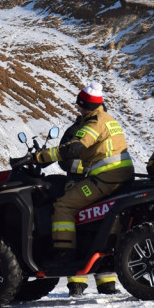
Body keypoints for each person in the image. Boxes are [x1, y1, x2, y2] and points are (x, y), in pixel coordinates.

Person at [30, 82, 134, 282]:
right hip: (120, 175)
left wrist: (38, 157)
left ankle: (64, 255)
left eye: (79, 105)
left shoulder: (93, 123)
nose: (78, 109)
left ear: (86, 105)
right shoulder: (108, 119)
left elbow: (73, 149)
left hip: (106, 178)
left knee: (63, 204)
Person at [54, 110, 122, 297]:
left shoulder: (92, 129)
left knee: (96, 227)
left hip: (92, 182)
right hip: (85, 182)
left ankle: (99, 281)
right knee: (89, 226)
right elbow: (64, 157)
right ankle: (85, 282)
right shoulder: (78, 131)